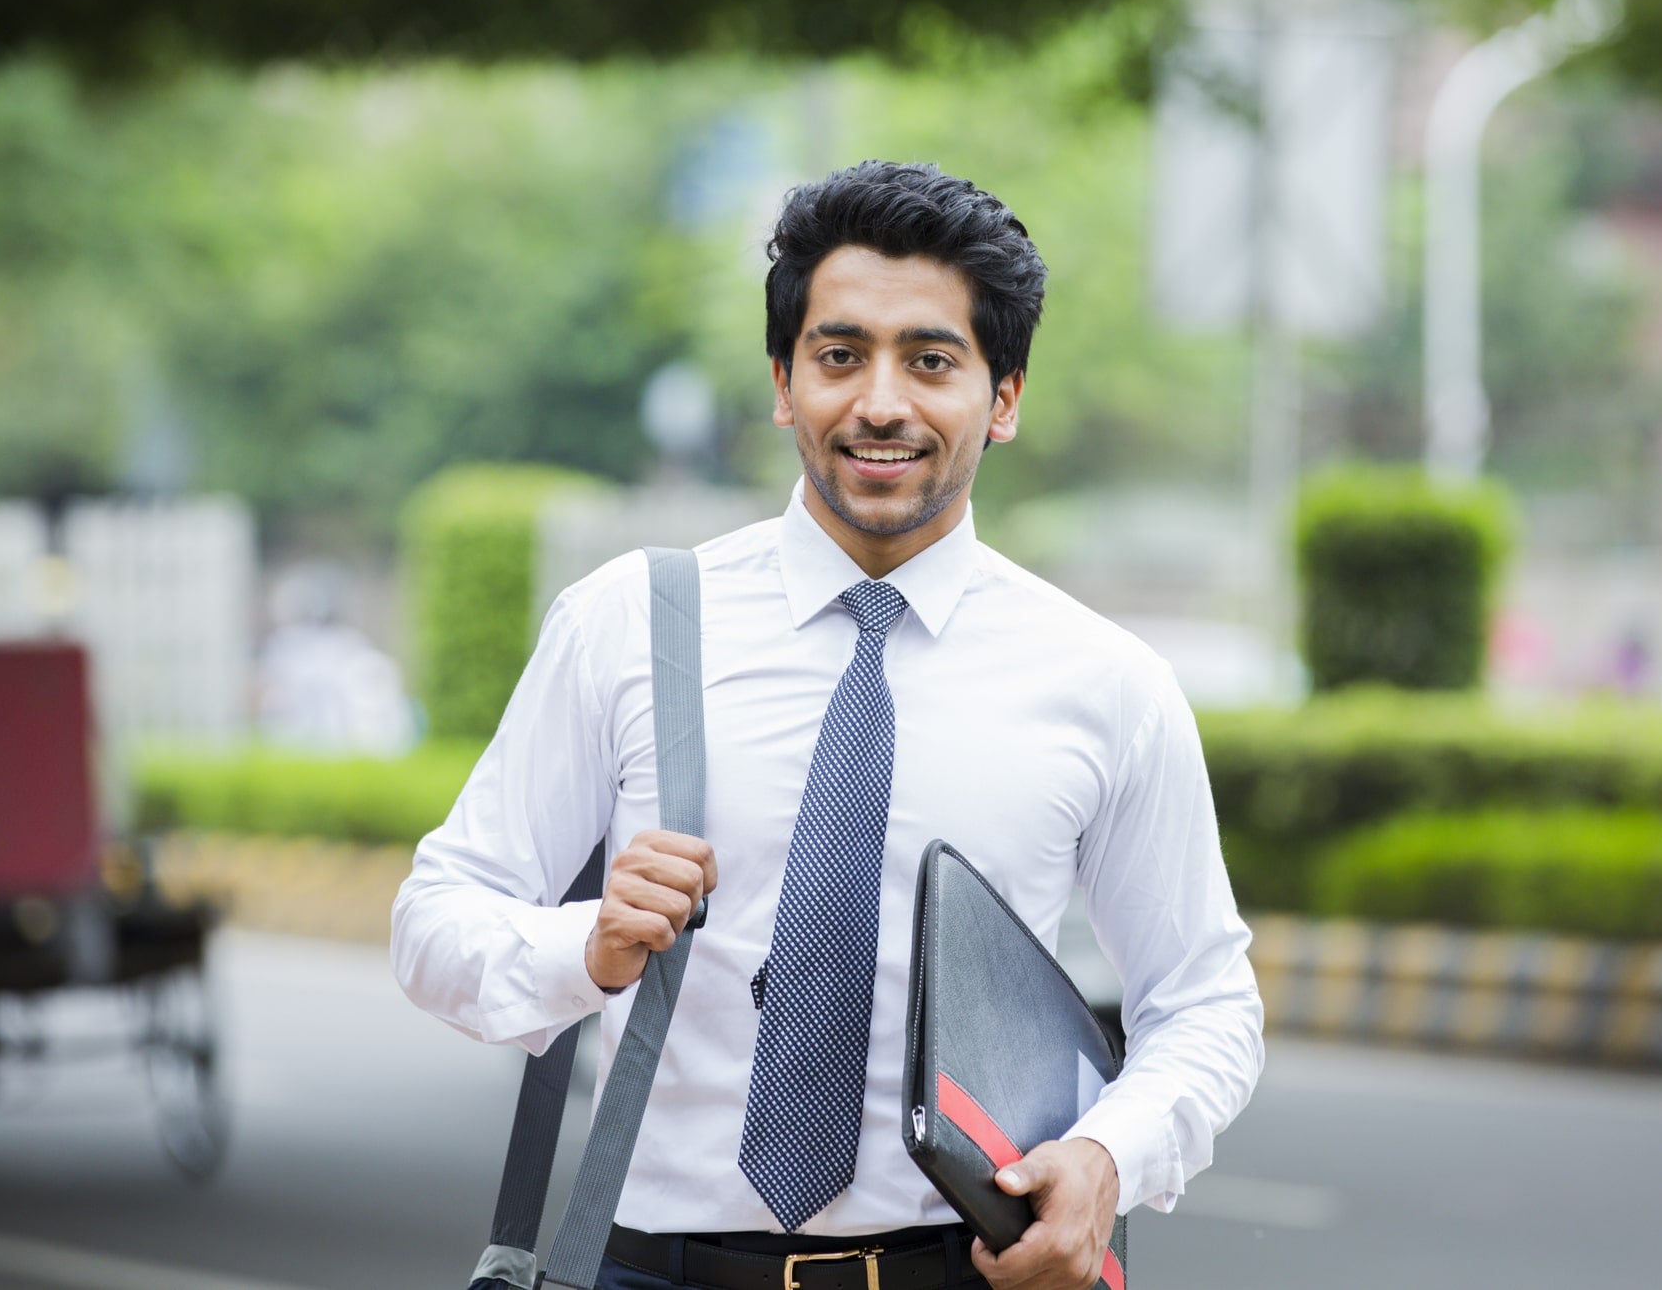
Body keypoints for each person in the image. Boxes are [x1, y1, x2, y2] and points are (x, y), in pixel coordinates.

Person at [393, 161, 1264, 1290]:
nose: (881, 403)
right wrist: (588, 946)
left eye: (933, 361)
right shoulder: (628, 624)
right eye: (840, 355)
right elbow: (434, 922)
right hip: (654, 1268)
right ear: (783, 381)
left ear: (1003, 398)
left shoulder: (1106, 682)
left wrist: (1110, 1154)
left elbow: (1205, 1001)